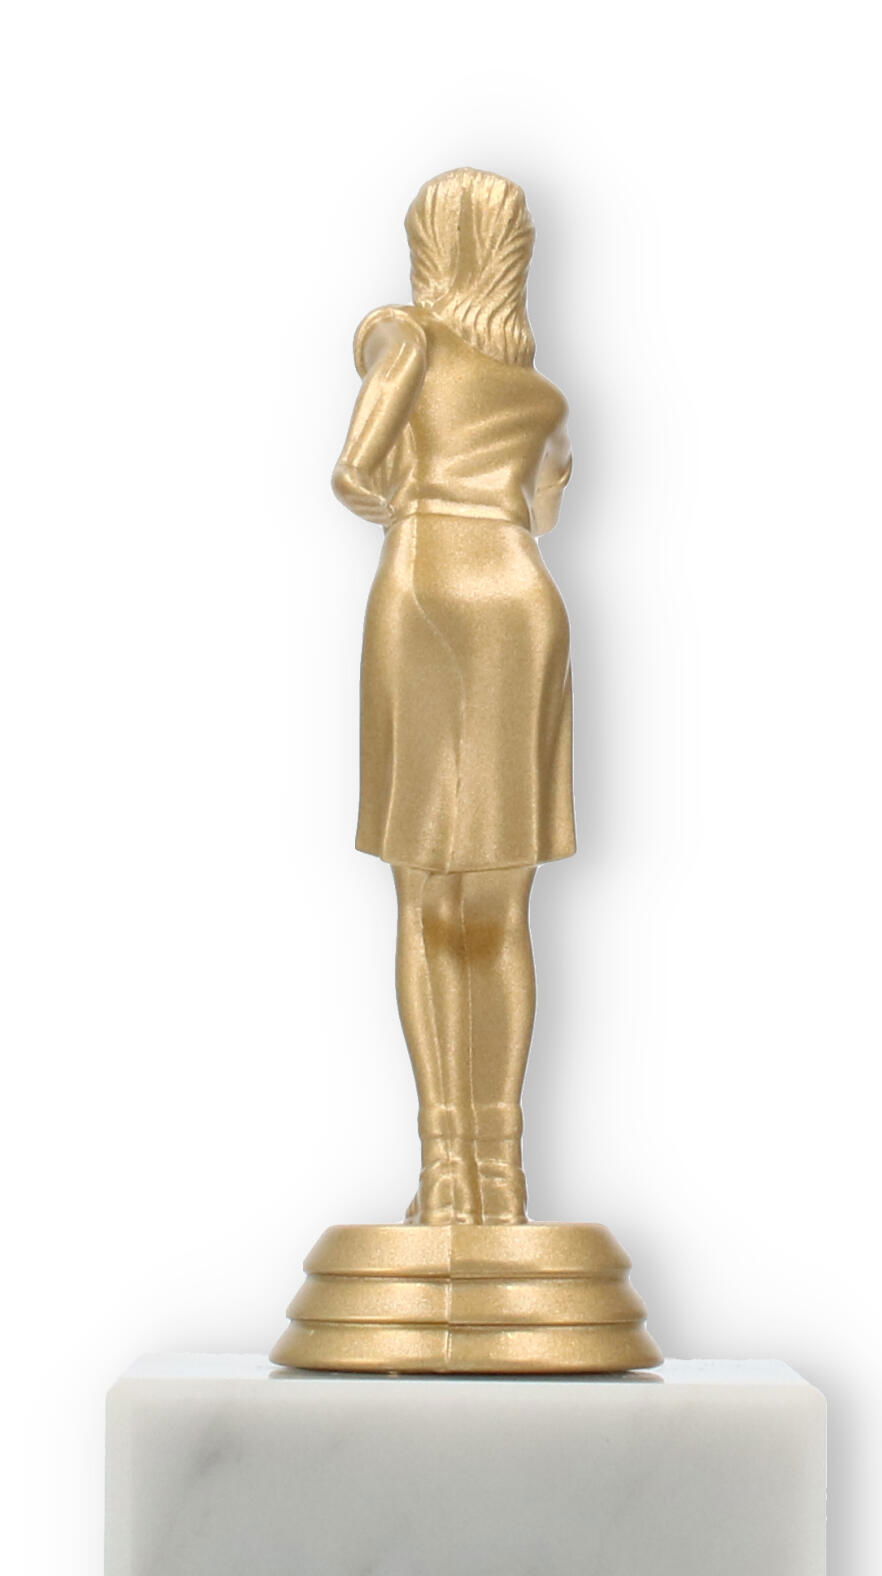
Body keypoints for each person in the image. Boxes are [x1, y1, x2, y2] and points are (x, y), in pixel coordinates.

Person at [332, 167, 575, 1226]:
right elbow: (545, 509)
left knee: (425, 888)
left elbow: (352, 474)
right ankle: (501, 1173)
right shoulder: (544, 398)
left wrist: (412, 501)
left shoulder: (403, 337)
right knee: (502, 900)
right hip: (520, 598)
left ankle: (443, 1171)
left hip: (425, 585)